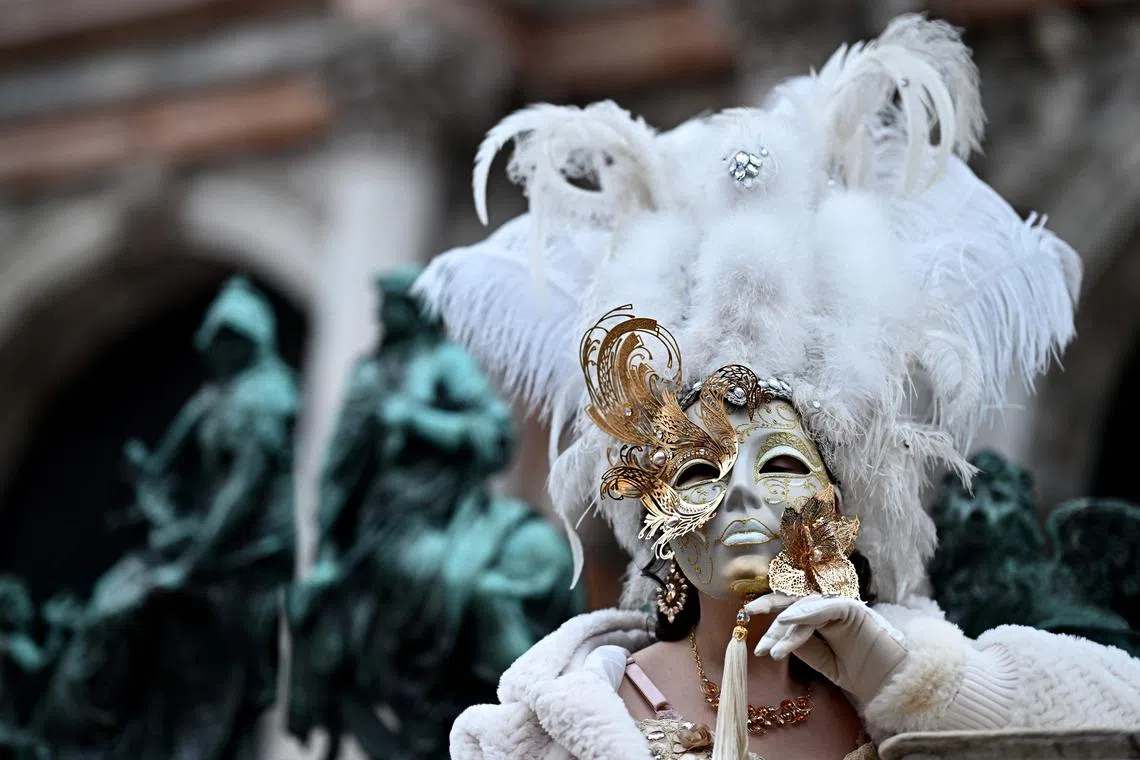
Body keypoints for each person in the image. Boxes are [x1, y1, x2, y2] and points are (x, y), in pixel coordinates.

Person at [414, 14, 1140, 760]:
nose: (744, 498)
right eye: (700, 470)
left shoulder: (897, 691)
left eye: (784, 464)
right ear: (655, 513)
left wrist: (913, 679)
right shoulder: (540, 728)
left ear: (838, 503)